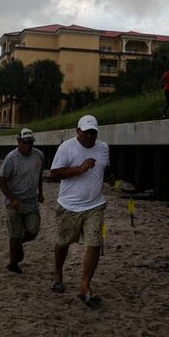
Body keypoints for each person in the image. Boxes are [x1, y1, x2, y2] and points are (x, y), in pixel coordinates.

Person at [49, 115, 115, 307]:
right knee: (64, 243)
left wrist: (109, 178)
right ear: (78, 131)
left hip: (95, 205)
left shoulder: (104, 148)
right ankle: (58, 272)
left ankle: (85, 286)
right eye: (86, 133)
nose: (90, 136)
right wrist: (80, 168)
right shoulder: (67, 147)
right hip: (69, 206)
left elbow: (104, 170)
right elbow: (54, 173)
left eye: (93, 132)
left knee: (95, 243)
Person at [0, 128, 44, 274]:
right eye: (25, 142)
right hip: (14, 203)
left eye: (30, 142)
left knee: (34, 230)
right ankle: (12, 263)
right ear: (19, 141)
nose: (28, 145)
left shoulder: (39, 155)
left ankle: (20, 244)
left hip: (31, 202)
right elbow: (1, 180)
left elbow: (40, 174)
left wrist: (40, 192)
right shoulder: (11, 158)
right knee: (14, 234)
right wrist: (12, 199)